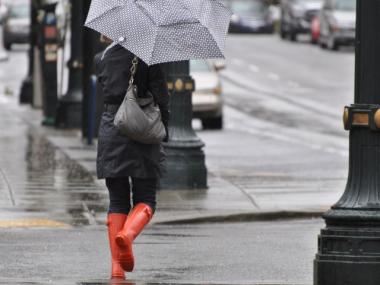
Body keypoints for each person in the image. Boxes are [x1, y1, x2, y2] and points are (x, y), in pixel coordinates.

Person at [95, 35, 170, 280]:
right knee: (146, 197)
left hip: (112, 128)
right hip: (143, 133)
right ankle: (127, 235)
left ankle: (117, 268)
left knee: (117, 200)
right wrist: (164, 129)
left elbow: (106, 93)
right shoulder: (149, 56)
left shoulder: (103, 58)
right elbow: (161, 97)